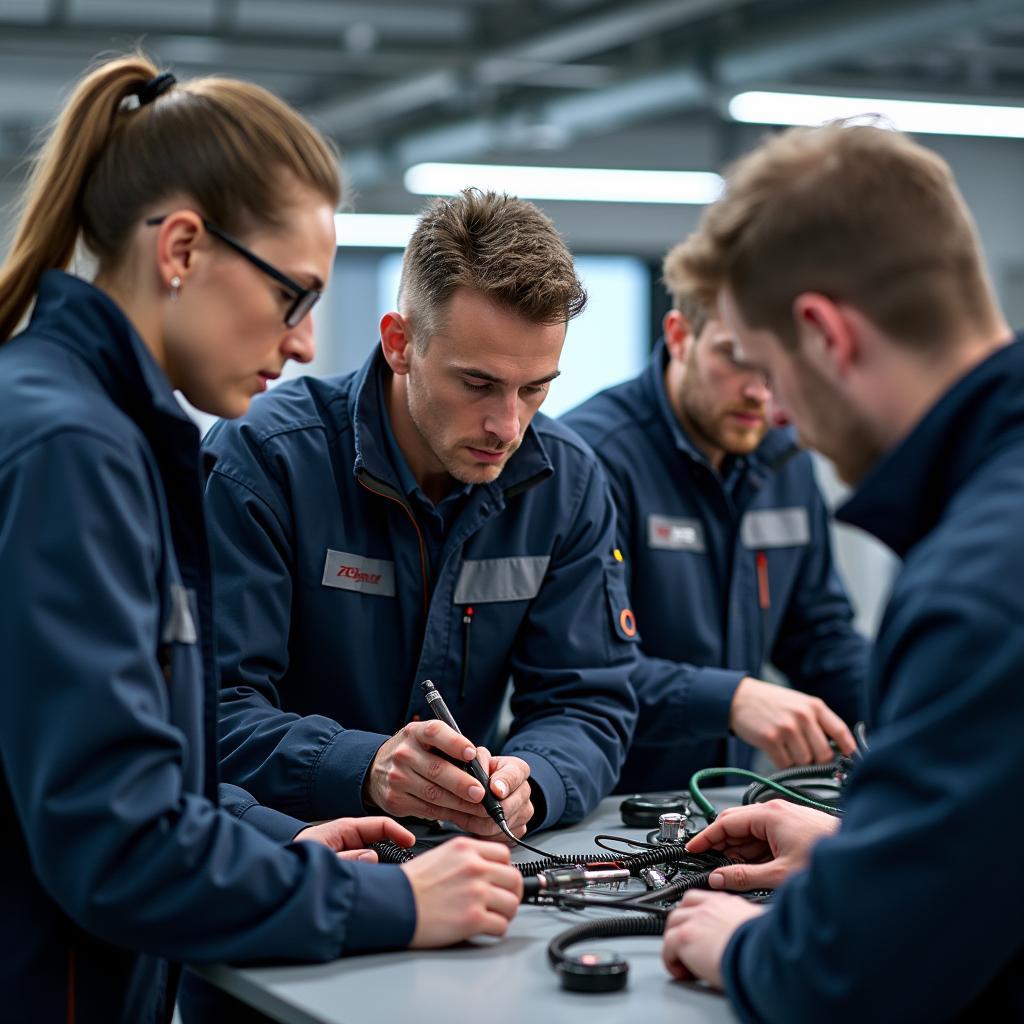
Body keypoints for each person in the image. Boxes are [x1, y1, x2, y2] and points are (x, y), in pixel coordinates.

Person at [0, 56, 522, 1024]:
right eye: (294, 296)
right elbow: (112, 847)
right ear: (183, 250)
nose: (305, 344)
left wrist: (270, 847)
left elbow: (131, 774)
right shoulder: (74, 448)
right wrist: (388, 900)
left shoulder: (93, 427)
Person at [658, 122, 1024, 1020]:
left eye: (770, 365)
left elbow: (848, 976)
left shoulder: (979, 583)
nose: (775, 412)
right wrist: (862, 846)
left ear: (824, 334)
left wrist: (747, 947)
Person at [201, 188, 639, 840]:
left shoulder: (566, 484)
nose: (507, 424)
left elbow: (588, 699)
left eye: (536, 388)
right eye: (478, 383)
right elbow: (209, 709)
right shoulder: (264, 463)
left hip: (464, 861)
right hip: (287, 857)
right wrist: (364, 766)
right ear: (399, 343)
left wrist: (534, 780)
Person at [564, 249, 868, 792]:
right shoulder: (592, 459)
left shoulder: (785, 462)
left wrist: (916, 700)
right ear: (680, 335)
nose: (761, 393)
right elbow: (581, 672)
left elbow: (820, 638)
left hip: (728, 801)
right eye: (737, 358)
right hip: (608, 809)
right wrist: (733, 698)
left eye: (778, 366)